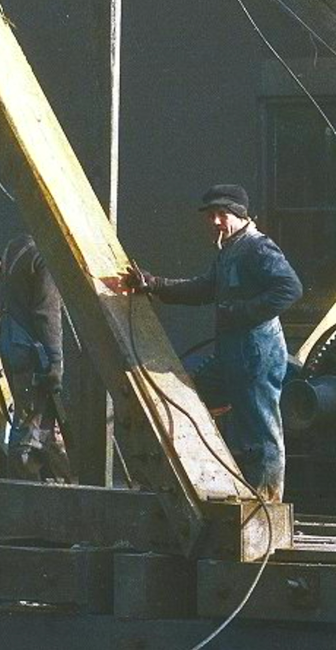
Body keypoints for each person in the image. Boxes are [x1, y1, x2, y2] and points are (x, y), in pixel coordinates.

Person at [121, 184, 302, 501]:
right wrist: (153, 284)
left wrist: (243, 312)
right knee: (192, 400)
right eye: (211, 215)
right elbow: (205, 289)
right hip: (233, 353)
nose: (215, 221)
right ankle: (227, 488)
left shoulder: (257, 249)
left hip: (256, 354)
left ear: (240, 215)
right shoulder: (230, 250)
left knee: (260, 428)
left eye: (222, 214)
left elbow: (289, 289)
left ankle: (266, 501)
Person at [0, 234, 74, 482]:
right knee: (32, 431)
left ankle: (66, 484)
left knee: (40, 425)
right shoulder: (45, 257)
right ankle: (23, 497)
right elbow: (46, 314)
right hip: (33, 352)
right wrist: (56, 362)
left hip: (11, 342)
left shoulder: (16, 246)